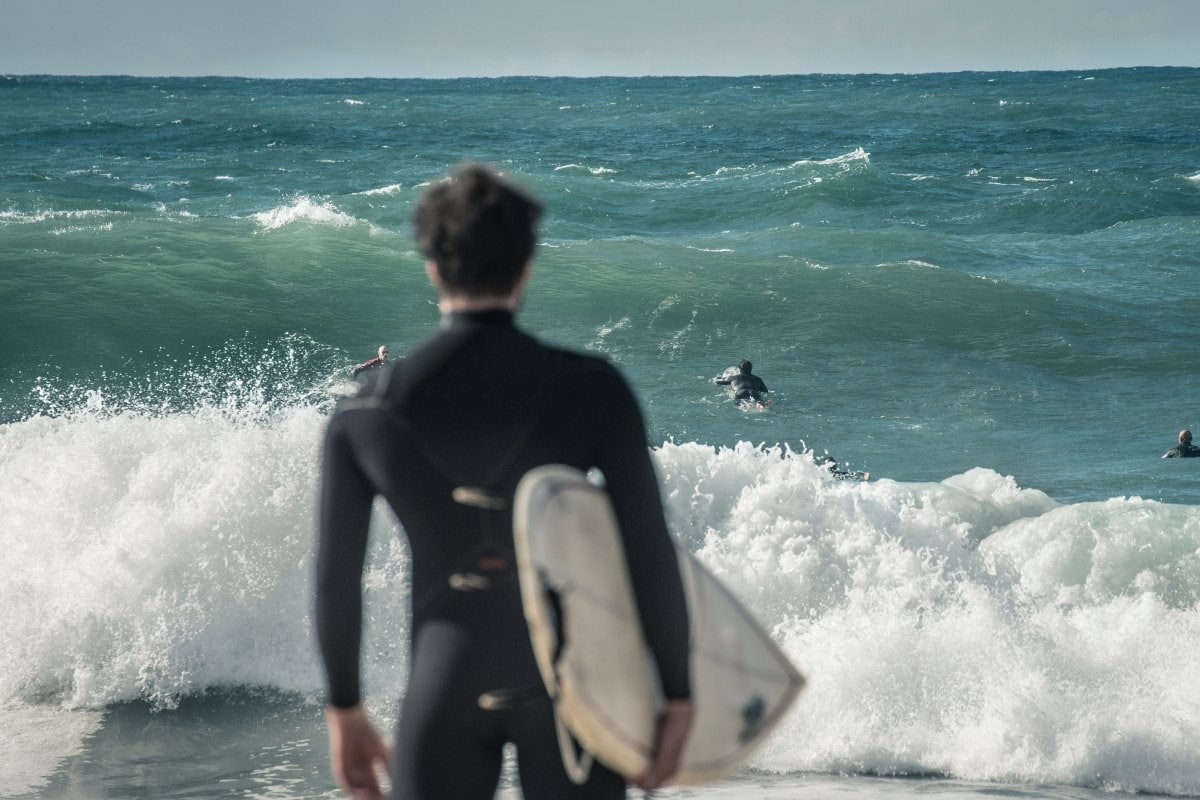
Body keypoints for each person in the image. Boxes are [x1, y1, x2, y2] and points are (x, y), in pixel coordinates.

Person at [316, 163, 693, 800]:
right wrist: (678, 694)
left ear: (433, 264)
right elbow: (648, 549)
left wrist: (344, 711)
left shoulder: (364, 411)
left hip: (445, 683)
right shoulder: (594, 389)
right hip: (575, 691)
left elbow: (336, 579)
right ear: (526, 265)